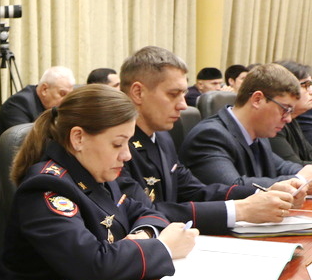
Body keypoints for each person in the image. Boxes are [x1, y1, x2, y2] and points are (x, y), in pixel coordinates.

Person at [0, 85, 197, 280]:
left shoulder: (95, 171)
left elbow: (145, 211)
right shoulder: (46, 185)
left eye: (128, 143)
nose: (127, 155)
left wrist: (144, 235)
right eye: (117, 144)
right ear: (78, 138)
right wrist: (164, 247)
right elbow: (91, 263)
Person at [117, 46, 297, 234]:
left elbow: (194, 191)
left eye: (183, 94)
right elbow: (144, 212)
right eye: (173, 94)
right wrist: (240, 210)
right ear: (138, 92)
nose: (183, 105)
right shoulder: (116, 146)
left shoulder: (162, 136)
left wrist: (262, 193)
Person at [180, 63, 312, 188]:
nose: (288, 119)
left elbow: (282, 167)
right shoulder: (210, 136)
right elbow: (232, 187)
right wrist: (299, 179)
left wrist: (306, 174)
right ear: (257, 99)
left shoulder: (257, 133)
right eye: (285, 109)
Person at [0, 66, 75, 140]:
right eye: (62, 94)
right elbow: (28, 143)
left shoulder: (57, 107)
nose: (66, 100)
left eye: (69, 95)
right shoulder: (19, 104)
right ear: (44, 89)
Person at [268, 60, 312, 164]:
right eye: (305, 85)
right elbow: (293, 166)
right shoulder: (272, 124)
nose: (311, 91)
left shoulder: (292, 120)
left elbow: (309, 154)